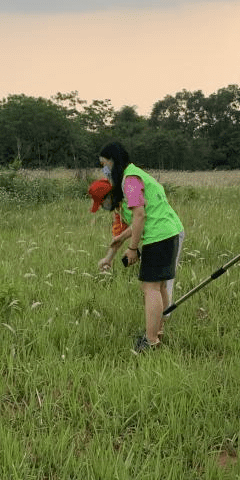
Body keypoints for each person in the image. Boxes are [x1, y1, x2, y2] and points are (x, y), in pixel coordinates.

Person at [98, 141, 185, 354]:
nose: (104, 170)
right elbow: (140, 218)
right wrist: (121, 238)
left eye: (105, 165)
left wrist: (133, 248)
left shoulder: (130, 180)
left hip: (158, 236)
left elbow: (140, 215)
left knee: (150, 288)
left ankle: (150, 340)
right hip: (168, 232)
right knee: (160, 287)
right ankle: (158, 332)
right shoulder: (135, 175)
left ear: (114, 161)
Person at [88, 177, 130, 273]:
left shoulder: (128, 201)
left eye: (101, 203)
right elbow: (117, 237)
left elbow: (140, 222)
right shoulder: (118, 211)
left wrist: (133, 248)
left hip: (162, 234)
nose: (102, 207)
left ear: (109, 196)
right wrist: (108, 259)